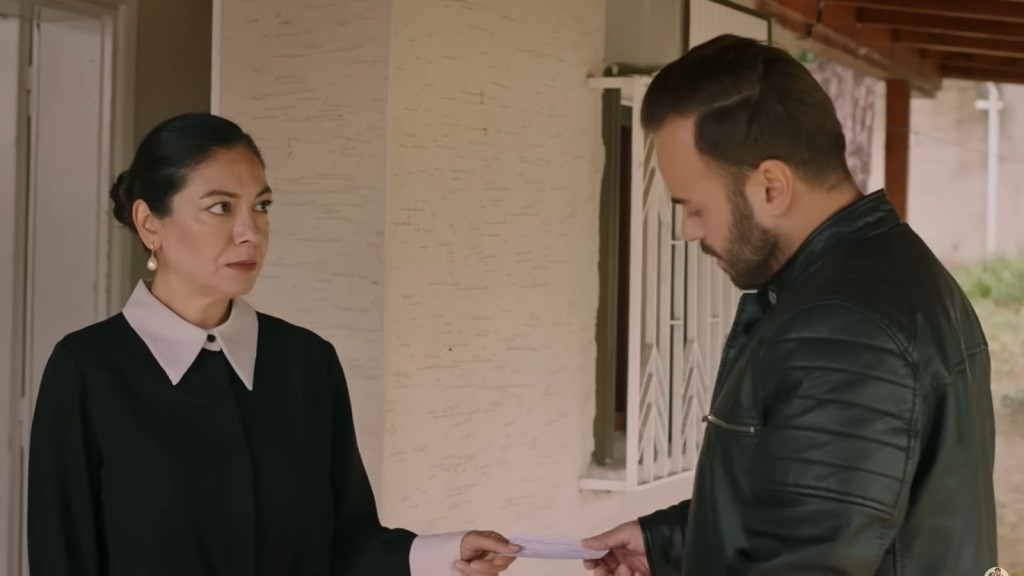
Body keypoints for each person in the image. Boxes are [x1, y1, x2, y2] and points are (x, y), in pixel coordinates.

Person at [28, 113, 519, 576]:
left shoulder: (307, 363)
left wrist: (445, 554)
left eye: (260, 206)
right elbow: (62, 557)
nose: (251, 233)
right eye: (221, 207)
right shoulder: (87, 370)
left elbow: (347, 543)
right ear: (149, 222)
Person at [583, 34, 997, 575]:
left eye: (694, 206)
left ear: (772, 187)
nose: (688, 230)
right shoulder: (894, 274)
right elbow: (825, 512)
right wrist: (668, 544)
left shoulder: (843, 329)